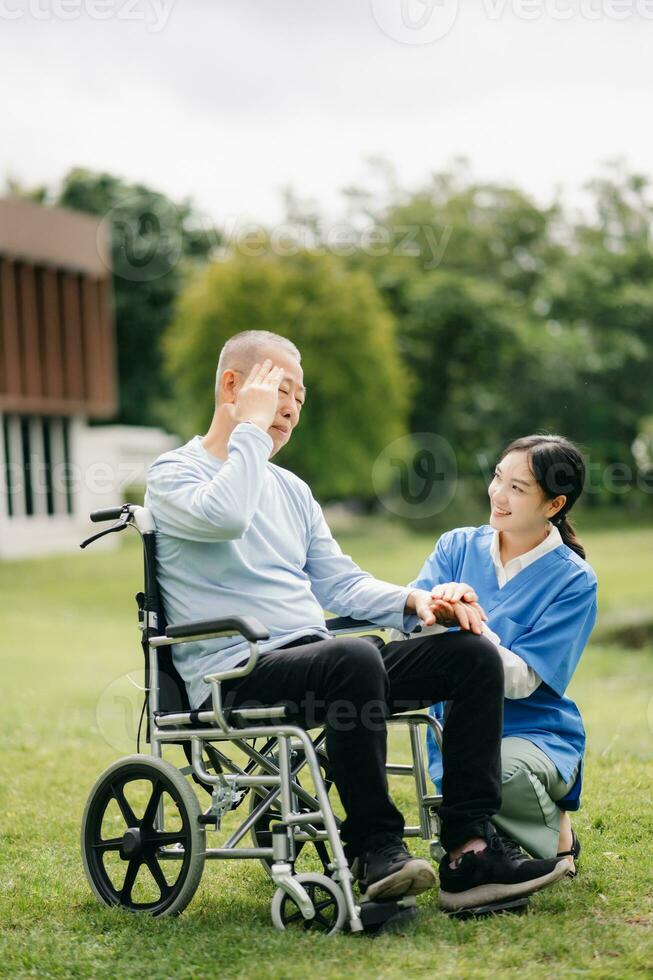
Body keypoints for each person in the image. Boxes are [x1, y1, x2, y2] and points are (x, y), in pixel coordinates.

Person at [145, 330, 572, 911]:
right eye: (280, 390)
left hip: (325, 662)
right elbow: (227, 514)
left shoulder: (292, 490)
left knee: (468, 653)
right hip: (235, 670)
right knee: (353, 656)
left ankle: (469, 851)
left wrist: (415, 603)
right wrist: (249, 430)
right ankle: (377, 849)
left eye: (300, 395)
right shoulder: (173, 475)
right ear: (232, 387)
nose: (292, 407)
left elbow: (340, 582)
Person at [402, 435, 597, 875]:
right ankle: (489, 836)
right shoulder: (456, 547)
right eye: (497, 478)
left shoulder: (574, 581)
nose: (498, 495)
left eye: (518, 488)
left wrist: (469, 620)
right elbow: (409, 630)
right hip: (453, 732)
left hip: (534, 736)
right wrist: (433, 607)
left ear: (553, 504)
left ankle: (558, 838)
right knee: (472, 775)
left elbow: (522, 681)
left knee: (500, 775)